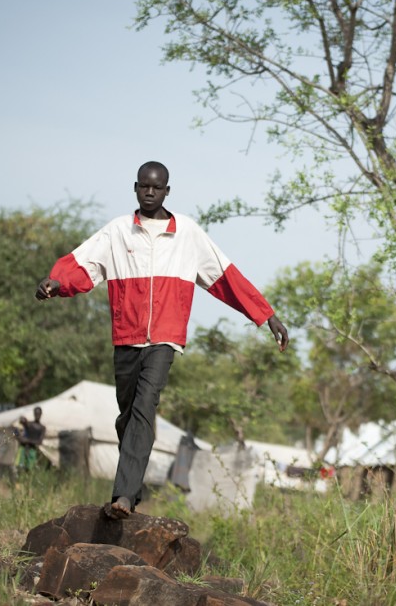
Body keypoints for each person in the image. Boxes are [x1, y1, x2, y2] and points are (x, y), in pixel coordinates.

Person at [35, 161, 289, 519]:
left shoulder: (187, 234)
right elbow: (83, 265)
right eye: (144, 186)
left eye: (157, 187)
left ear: (167, 190)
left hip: (165, 340)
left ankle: (122, 496)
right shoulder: (118, 231)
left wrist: (266, 314)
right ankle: (132, 491)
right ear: (135, 188)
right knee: (128, 416)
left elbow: (226, 277)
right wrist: (55, 283)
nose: (150, 192)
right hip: (126, 336)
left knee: (144, 408)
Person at [15, 406, 46, 473]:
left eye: (38, 414)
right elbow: (22, 425)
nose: (37, 415)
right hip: (23, 448)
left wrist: (27, 440)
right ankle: (18, 482)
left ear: (41, 414)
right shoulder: (29, 424)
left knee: (29, 469)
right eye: (36, 413)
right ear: (34, 414)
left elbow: (40, 441)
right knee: (20, 467)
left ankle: (26, 482)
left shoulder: (42, 428)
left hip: (32, 450)